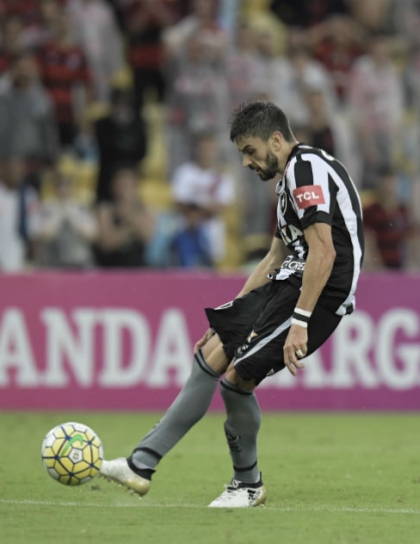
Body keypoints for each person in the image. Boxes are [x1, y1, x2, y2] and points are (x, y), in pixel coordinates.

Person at [99, 101, 365, 508]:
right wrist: (232, 314)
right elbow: (274, 258)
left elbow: (324, 252)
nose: (245, 162)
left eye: (251, 151)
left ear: (276, 140)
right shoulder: (289, 182)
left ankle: (248, 484)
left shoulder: (305, 169)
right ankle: (140, 464)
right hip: (290, 278)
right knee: (211, 354)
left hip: (322, 289)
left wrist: (301, 322)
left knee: (237, 378)